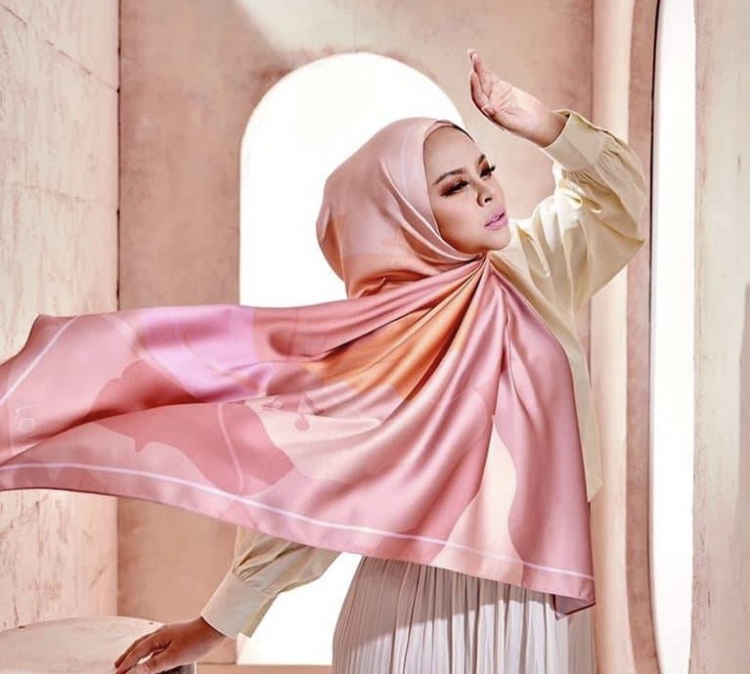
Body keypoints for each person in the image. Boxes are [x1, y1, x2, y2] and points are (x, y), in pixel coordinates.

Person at [0, 48, 647, 673]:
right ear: (405, 217)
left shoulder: (533, 270)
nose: (486, 193)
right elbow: (306, 485)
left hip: (538, 604)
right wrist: (215, 624)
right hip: (413, 616)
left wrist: (540, 124)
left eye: (486, 170)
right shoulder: (380, 342)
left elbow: (621, 206)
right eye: (455, 187)